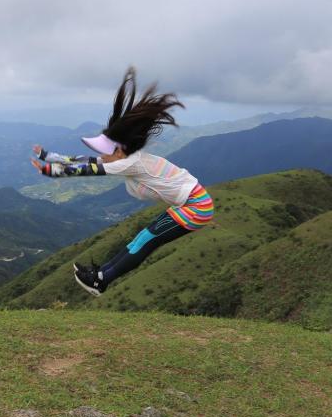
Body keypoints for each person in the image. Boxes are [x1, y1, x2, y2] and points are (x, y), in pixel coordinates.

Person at [29, 67, 214, 295]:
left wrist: (50, 170)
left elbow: (89, 169)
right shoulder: (127, 159)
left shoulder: (130, 162)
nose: (103, 155)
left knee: (147, 239)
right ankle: (100, 276)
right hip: (191, 205)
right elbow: (88, 159)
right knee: (142, 238)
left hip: (197, 208)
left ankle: (102, 280)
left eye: (106, 150)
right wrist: (48, 156)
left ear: (118, 150)